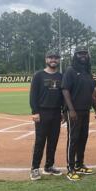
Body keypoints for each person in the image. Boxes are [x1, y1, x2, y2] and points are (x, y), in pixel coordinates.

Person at [62, 45, 96, 181]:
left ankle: (79, 164)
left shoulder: (88, 72)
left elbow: (92, 94)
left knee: (83, 138)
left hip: (85, 110)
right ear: (75, 55)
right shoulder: (70, 71)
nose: (83, 55)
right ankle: (70, 168)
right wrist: (70, 110)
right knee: (73, 139)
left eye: (85, 53)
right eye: (79, 53)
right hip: (74, 111)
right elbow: (65, 90)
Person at [29, 49, 64, 180]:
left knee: (53, 141)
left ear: (59, 60)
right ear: (46, 59)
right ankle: (34, 168)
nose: (53, 60)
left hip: (56, 113)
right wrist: (35, 112)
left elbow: (62, 96)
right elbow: (33, 95)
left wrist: (62, 112)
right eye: (51, 57)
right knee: (40, 141)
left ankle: (49, 166)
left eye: (56, 57)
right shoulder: (38, 75)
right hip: (42, 113)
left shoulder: (61, 76)